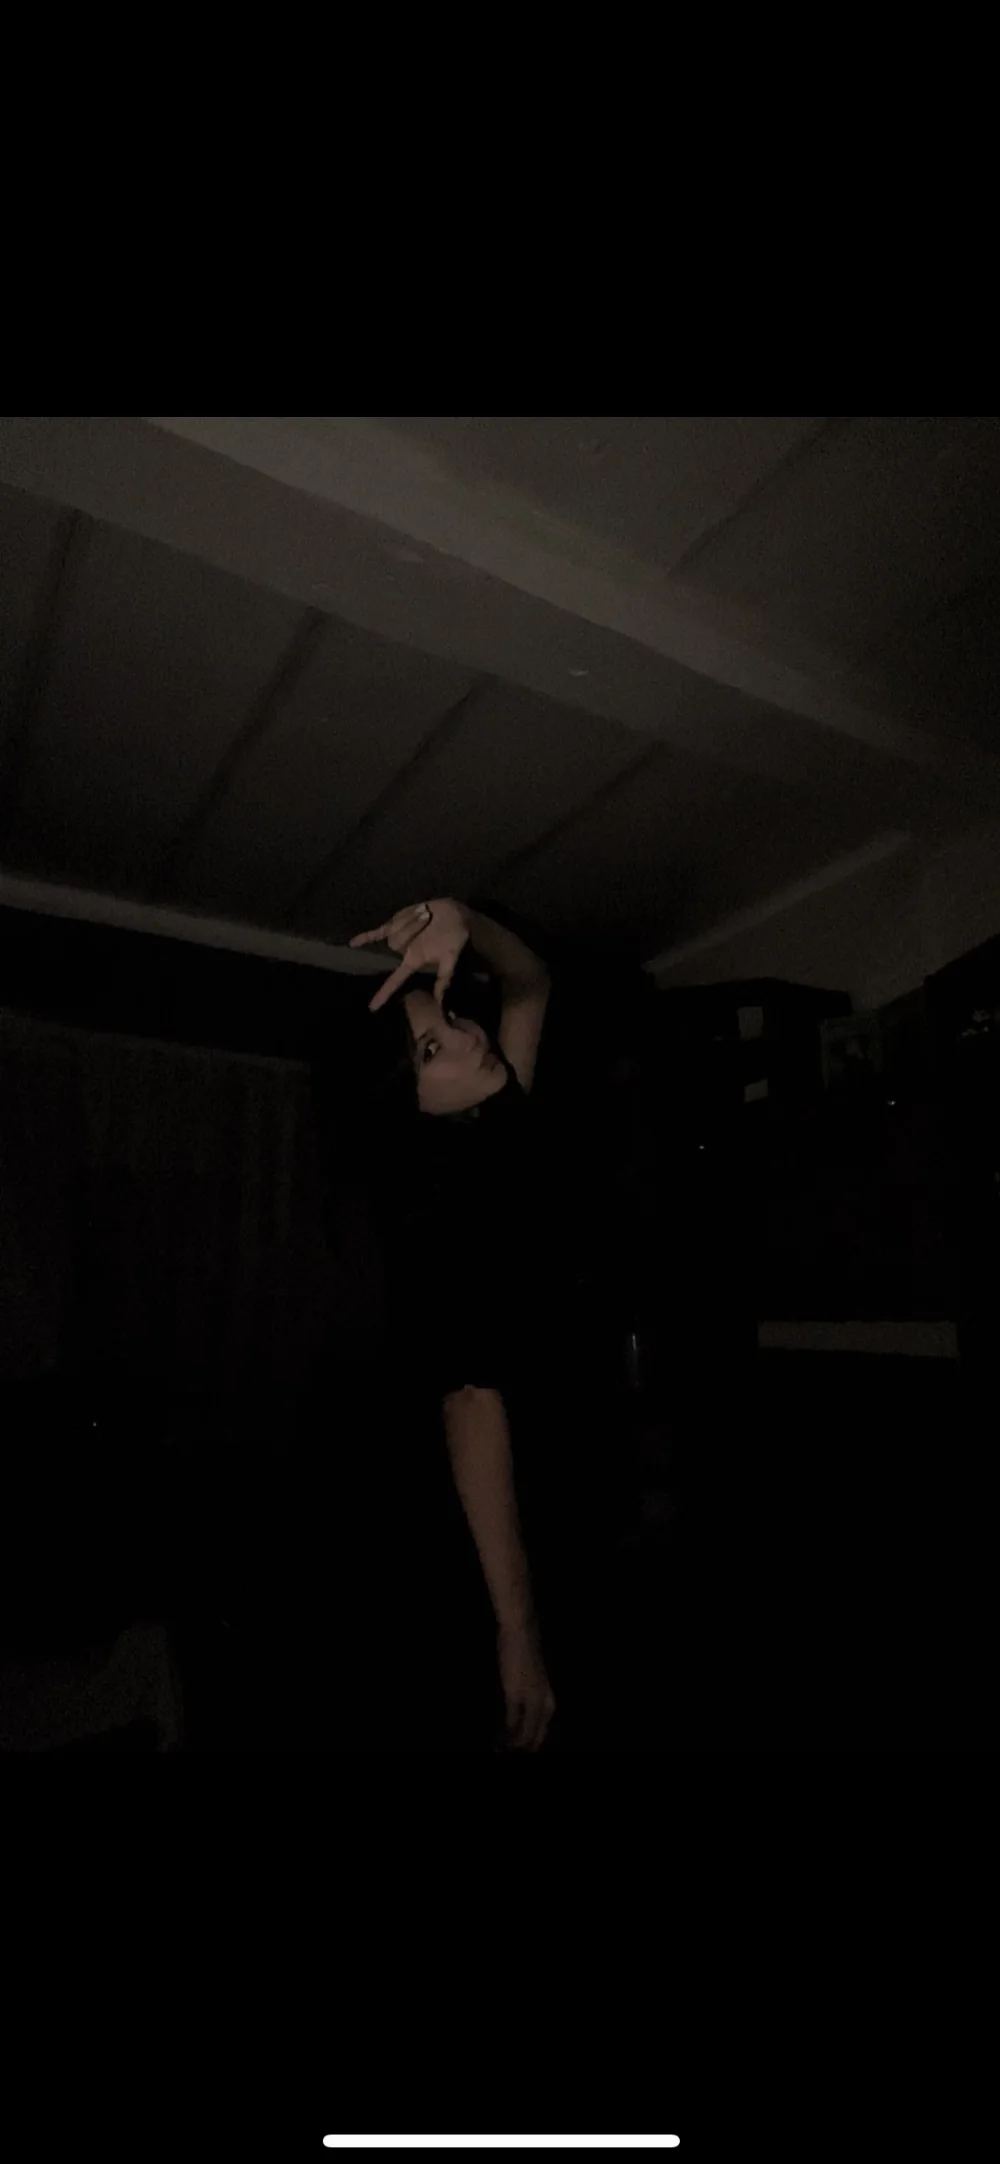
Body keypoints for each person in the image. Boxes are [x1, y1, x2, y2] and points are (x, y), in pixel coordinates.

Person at [341, 895, 657, 1751]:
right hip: (511, 1522)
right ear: (403, 1102)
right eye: (431, 1049)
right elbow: (471, 1402)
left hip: (575, 1474)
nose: (465, 1037)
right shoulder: (435, 1220)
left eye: (448, 1017)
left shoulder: (500, 1123)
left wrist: (462, 919)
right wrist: (517, 1627)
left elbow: (528, 985)